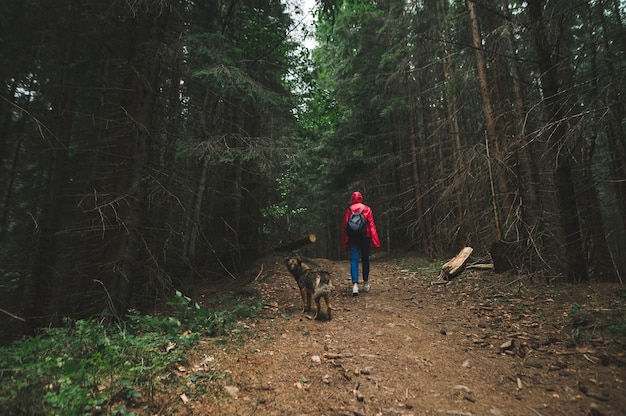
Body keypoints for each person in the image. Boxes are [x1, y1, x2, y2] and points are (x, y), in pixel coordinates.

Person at [342, 191, 380, 296]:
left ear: (352, 199)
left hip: (352, 238)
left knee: (354, 259)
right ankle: (366, 283)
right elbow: (372, 226)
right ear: (361, 198)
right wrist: (375, 241)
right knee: (365, 259)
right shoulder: (367, 209)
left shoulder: (349, 210)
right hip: (365, 237)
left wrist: (345, 242)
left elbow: (345, 227)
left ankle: (355, 285)